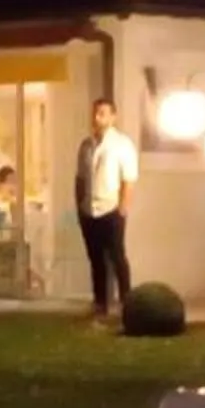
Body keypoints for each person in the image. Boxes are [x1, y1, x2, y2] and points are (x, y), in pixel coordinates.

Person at [74, 96, 138, 321]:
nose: (97, 118)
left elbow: (129, 178)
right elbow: (80, 178)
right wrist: (79, 206)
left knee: (117, 256)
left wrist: (123, 208)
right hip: (89, 210)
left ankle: (126, 302)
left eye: (102, 113)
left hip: (111, 209)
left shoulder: (122, 144)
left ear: (113, 116)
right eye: (95, 113)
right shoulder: (86, 145)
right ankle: (100, 301)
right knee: (95, 258)